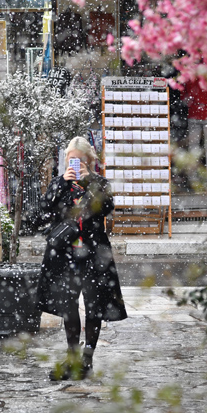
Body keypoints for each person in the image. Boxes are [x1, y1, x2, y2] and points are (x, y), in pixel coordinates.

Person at [36, 137, 127, 380]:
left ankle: (87, 358)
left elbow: (106, 207)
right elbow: (42, 213)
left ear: (89, 161)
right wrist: (59, 187)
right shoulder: (59, 184)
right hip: (65, 256)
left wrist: (89, 181)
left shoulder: (99, 183)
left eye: (79, 159)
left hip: (94, 255)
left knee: (94, 306)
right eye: (70, 159)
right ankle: (72, 356)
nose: (74, 163)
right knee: (68, 306)